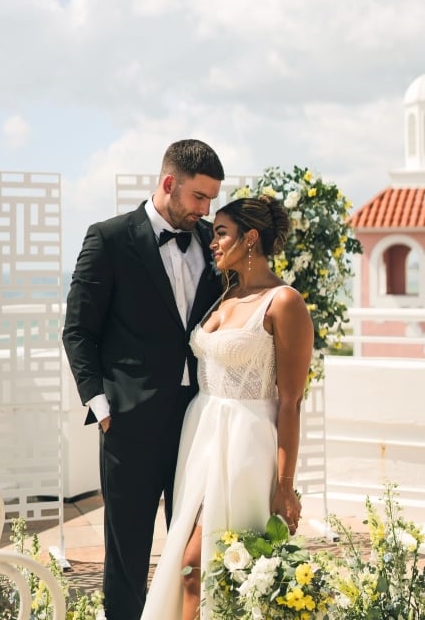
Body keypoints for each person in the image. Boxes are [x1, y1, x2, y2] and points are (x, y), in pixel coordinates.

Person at [61, 139, 225, 620]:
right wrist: (101, 406)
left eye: (212, 200)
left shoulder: (212, 242)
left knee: (192, 546)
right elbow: (78, 330)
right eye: (198, 197)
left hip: (196, 418)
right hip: (128, 424)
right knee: (127, 552)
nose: (206, 210)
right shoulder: (109, 239)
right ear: (169, 183)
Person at [140, 194, 315, 620]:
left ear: (250, 238)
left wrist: (284, 484)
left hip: (246, 446)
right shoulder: (226, 296)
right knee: (195, 566)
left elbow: (291, 401)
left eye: (221, 233)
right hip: (201, 439)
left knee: (201, 567)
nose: (212, 242)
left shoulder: (283, 302)